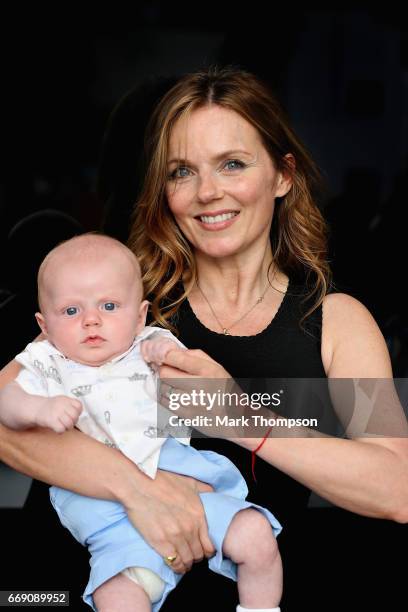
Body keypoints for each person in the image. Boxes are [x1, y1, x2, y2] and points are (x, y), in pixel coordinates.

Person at [1, 67, 407, 611]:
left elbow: (397, 488)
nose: (207, 192)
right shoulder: (118, 299)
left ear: (283, 175)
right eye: (182, 172)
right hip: (59, 593)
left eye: (232, 164)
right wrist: (141, 491)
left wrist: (241, 419)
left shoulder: (336, 321)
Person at [0, 233, 283, 612]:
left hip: (182, 477)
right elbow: (6, 400)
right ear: (44, 324)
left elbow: (197, 385)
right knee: (115, 595)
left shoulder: (148, 344)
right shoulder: (45, 360)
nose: (91, 320)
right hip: (100, 506)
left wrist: (166, 355)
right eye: (70, 311)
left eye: (110, 306)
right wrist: (37, 410)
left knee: (256, 535)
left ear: (139, 316)